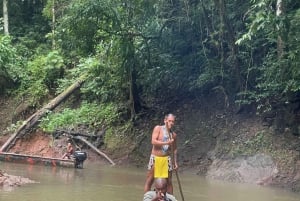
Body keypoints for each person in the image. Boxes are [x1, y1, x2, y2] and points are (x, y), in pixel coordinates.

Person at [144, 114, 178, 194]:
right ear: (165, 120)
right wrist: (167, 142)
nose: (171, 123)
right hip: (155, 158)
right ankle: (147, 198)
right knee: (150, 180)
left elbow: (175, 149)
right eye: (169, 121)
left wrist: (175, 162)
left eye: (173, 121)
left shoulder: (173, 135)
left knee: (169, 182)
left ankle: (170, 198)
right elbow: (153, 141)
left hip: (166, 159)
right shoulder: (158, 128)